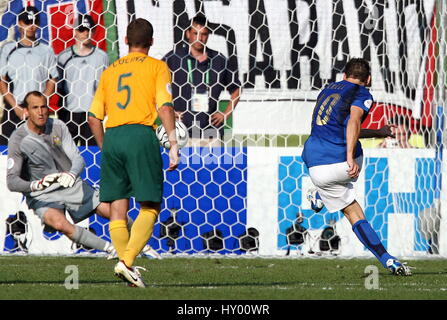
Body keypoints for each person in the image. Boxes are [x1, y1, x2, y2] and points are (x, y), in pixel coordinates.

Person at [88, 18, 179, 288]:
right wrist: (173, 143)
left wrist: (107, 147)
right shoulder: (157, 67)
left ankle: (128, 271)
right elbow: (164, 106)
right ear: (151, 42)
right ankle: (126, 262)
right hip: (140, 135)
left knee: (118, 208)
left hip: (113, 135)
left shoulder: (110, 70)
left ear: (125, 41)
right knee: (150, 205)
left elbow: (93, 117)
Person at [302, 58, 412, 276]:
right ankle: (387, 259)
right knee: (355, 214)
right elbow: (353, 123)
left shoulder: (327, 89)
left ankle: (320, 194)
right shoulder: (362, 94)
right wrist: (351, 157)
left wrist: (379, 132)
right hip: (340, 163)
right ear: (368, 79)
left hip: (313, 163)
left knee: (349, 207)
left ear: (344, 76)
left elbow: (341, 128)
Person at [6, 91, 115, 256]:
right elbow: (12, 181)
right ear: (26, 111)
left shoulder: (58, 126)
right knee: (58, 223)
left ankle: (140, 244)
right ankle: (112, 250)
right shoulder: (18, 139)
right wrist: (36, 184)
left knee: (111, 211)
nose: (41, 112)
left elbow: (77, 158)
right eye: (35, 108)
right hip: (42, 194)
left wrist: (71, 174)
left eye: (43, 106)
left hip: (69, 184)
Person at [163, 14, 241, 146]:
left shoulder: (218, 59)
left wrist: (225, 114)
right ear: (188, 34)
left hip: (210, 133)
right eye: (195, 33)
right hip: (181, 132)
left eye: (204, 34)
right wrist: (169, 111)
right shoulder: (173, 58)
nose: (199, 38)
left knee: (214, 167)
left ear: (208, 35)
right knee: (181, 166)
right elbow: (156, 88)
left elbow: (236, 89)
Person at [0, 6, 58, 145]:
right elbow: (2, 81)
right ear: (19, 23)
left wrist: (41, 102)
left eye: (34, 22)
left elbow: (52, 79)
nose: (31, 26)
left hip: (38, 112)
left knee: (41, 152)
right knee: (5, 151)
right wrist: (16, 107)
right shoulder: (8, 49)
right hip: (14, 111)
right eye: (27, 22)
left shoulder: (47, 50)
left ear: (38, 24)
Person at [56, 14, 109, 146]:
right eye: (81, 29)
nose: (86, 33)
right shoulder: (63, 57)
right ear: (74, 31)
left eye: (89, 29)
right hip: (69, 114)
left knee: (93, 153)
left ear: (94, 31)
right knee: (67, 155)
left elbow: (106, 87)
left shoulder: (102, 57)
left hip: (92, 114)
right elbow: (59, 88)